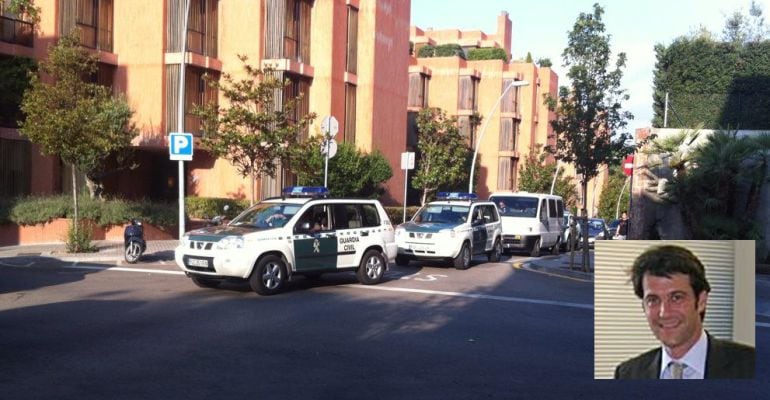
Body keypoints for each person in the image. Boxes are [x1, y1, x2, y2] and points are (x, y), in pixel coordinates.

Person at [614, 245, 755, 379]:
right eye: (653, 300)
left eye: (676, 298)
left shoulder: (751, 365)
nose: (664, 313)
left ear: (701, 301)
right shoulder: (627, 373)